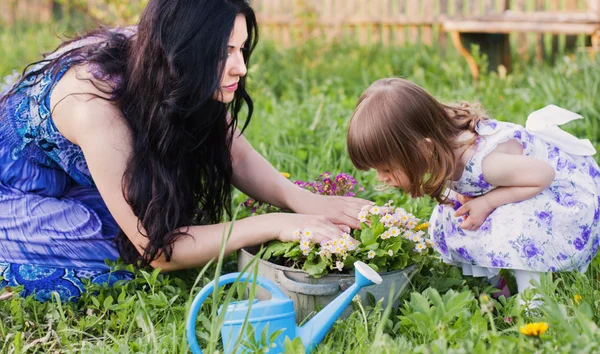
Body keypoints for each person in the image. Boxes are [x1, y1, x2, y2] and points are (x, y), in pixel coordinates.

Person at [0, 0, 370, 302]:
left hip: (74, 175)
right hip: (15, 190)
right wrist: (277, 223)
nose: (241, 67)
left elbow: (235, 154)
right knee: (117, 249)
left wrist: (304, 201)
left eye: (241, 49)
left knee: (167, 217)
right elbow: (157, 250)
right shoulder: (94, 109)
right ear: (184, 52)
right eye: (224, 52)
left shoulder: (166, 60)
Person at [346, 77, 599, 305]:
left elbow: (544, 175)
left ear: (423, 150)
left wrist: (488, 202)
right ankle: (495, 285)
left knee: (516, 222)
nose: (382, 178)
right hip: (521, 180)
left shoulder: (486, 164)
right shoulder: (440, 151)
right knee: (453, 216)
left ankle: (533, 297)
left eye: (387, 169)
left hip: (563, 194)